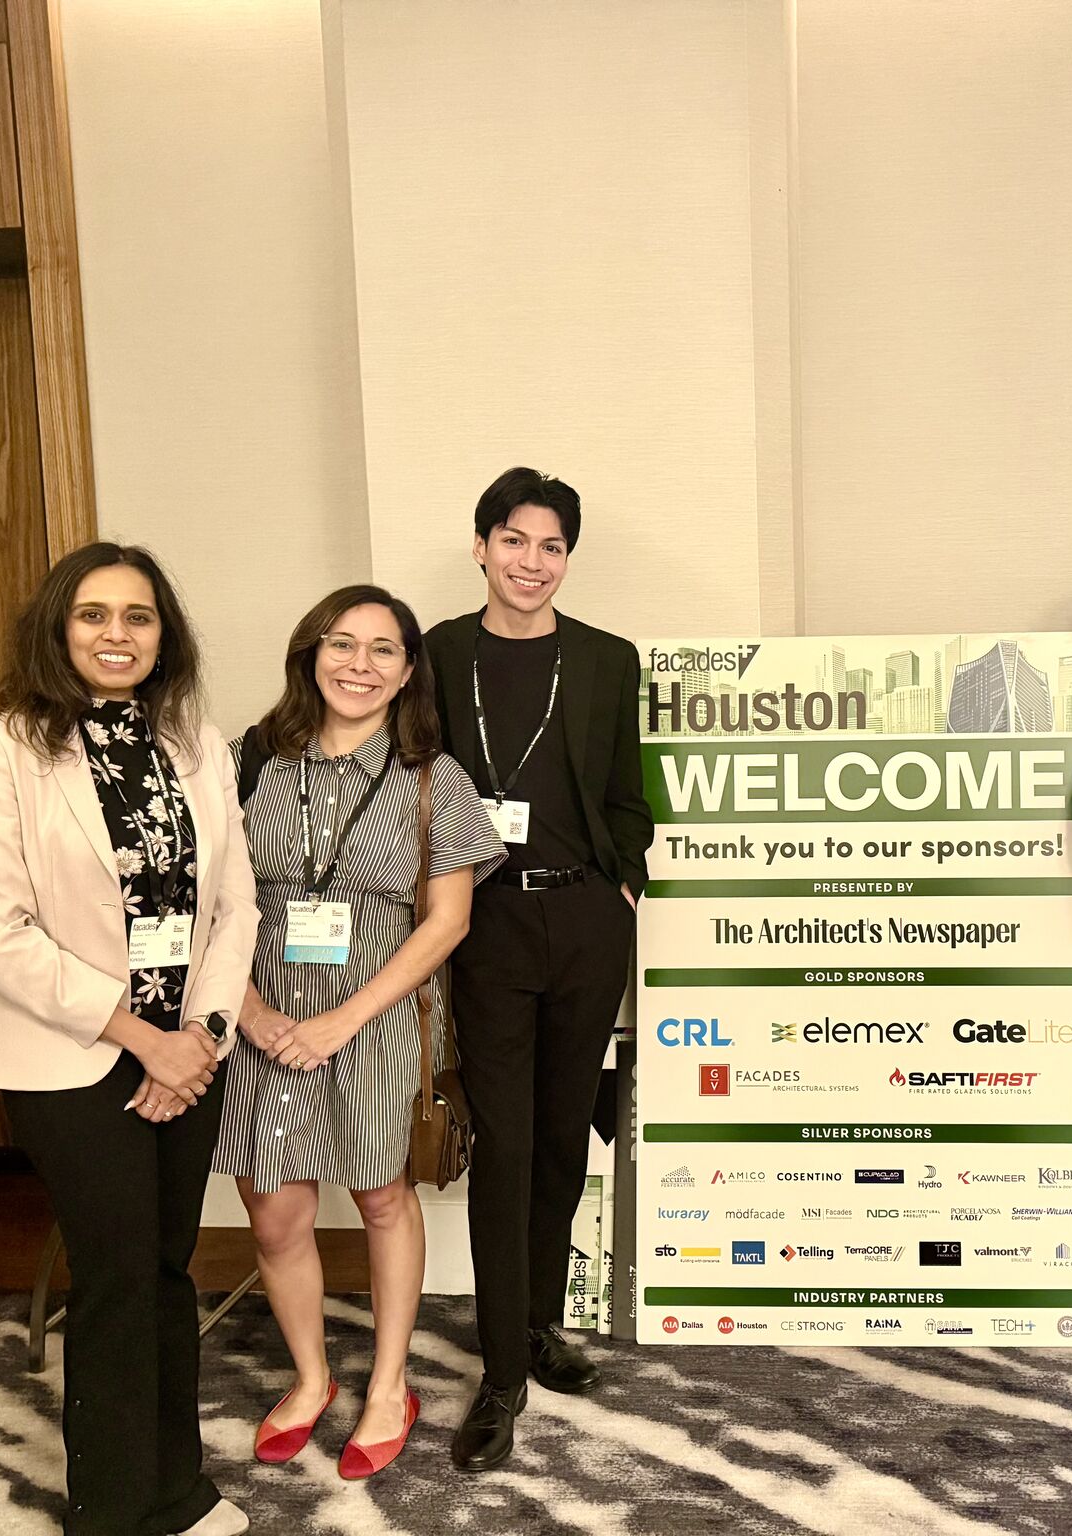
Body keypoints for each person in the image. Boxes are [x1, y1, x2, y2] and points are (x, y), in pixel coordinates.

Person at [0, 544, 258, 1536]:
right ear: (58, 627)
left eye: (137, 616)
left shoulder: (197, 744)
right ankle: (112, 1512)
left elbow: (234, 907)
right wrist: (139, 1037)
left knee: (167, 1268)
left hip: (188, 1052)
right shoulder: (1, 745)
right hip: (69, 1054)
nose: (116, 634)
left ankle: (177, 1489)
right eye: (93, 614)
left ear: (164, 637)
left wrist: (199, 1034)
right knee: (118, 1273)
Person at [213, 586, 504, 1479]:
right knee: (274, 1210)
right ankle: (311, 1379)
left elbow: (448, 922)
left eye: (384, 650)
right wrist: (251, 1011)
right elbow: (207, 900)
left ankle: (387, 1386)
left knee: (382, 1196)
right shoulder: (248, 763)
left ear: (408, 671)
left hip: (376, 1018)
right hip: (261, 1014)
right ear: (311, 653)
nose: (359, 665)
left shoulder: (435, 780)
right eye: (342, 644)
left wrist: (340, 1021)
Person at [422, 467, 654, 1471]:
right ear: (481, 546)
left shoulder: (606, 659)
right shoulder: (436, 653)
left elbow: (628, 791)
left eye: (551, 546)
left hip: (586, 918)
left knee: (563, 1135)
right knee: (505, 1143)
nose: (532, 561)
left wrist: (624, 885)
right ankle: (500, 1372)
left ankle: (540, 1324)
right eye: (513, 540)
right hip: (484, 923)